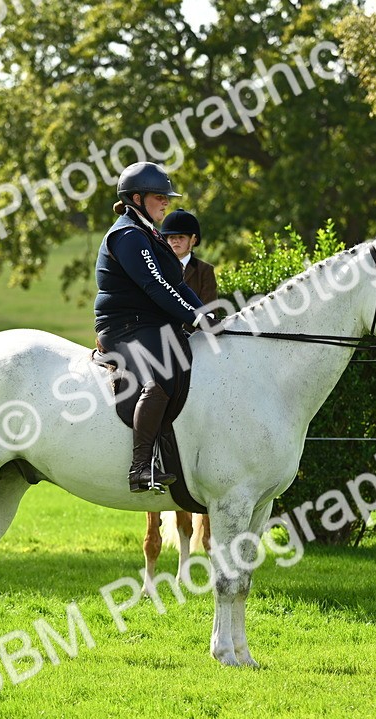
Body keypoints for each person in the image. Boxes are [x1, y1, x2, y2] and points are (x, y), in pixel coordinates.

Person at [94, 162, 214, 492]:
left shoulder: (151, 234)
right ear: (136, 197)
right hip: (123, 326)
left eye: (166, 197)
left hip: (148, 323)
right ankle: (140, 469)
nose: (166, 202)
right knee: (159, 380)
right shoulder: (128, 236)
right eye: (159, 197)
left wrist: (207, 316)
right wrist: (193, 317)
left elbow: (178, 283)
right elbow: (156, 286)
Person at [144, 208, 216, 561]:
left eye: (180, 237)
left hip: (196, 346)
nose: (174, 241)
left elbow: (208, 308)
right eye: (170, 237)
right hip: (161, 344)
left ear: (192, 240)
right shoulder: (154, 264)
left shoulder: (204, 272)